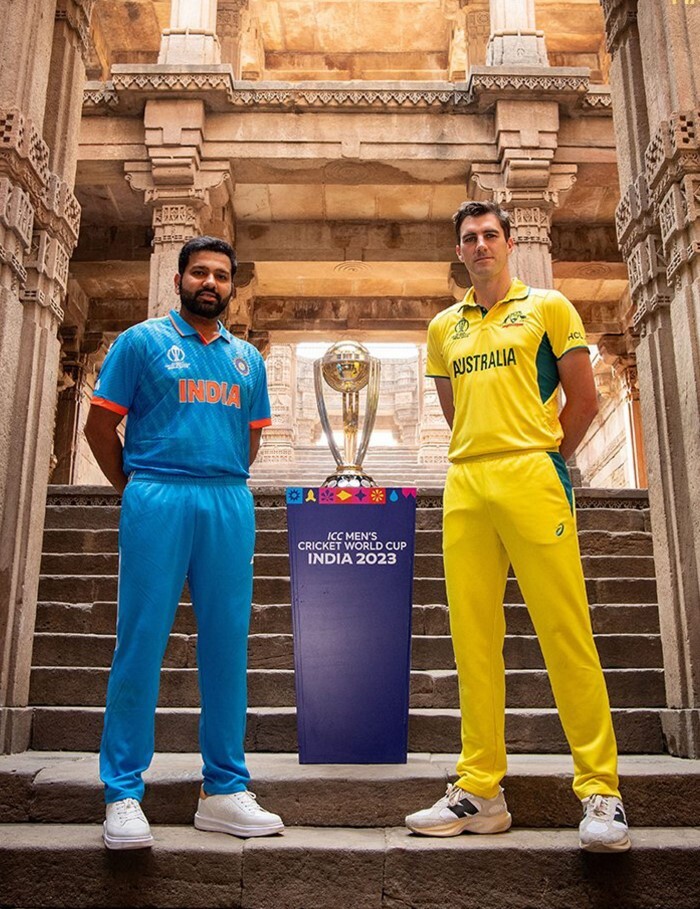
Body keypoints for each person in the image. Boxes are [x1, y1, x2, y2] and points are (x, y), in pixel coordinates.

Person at [405, 201, 630, 853]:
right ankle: (481, 790)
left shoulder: (550, 309)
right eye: (469, 237)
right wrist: (486, 452)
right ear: (459, 251)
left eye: (490, 235)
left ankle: (601, 789)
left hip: (534, 474)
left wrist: (547, 457)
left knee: (565, 630)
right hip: (468, 483)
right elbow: (455, 412)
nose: (479, 245)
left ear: (508, 244)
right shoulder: (444, 327)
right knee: (473, 639)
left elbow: (583, 400)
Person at [84, 236, 284, 850]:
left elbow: (249, 439)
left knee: (227, 645)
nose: (211, 283)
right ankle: (122, 792)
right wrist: (138, 486)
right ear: (178, 280)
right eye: (199, 272)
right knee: (141, 640)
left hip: (227, 497)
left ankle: (223, 788)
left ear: (231, 287)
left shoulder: (247, 359)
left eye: (222, 275)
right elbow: (99, 426)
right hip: (158, 494)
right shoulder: (141, 342)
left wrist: (217, 474)